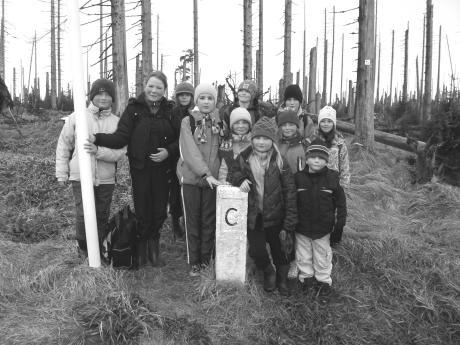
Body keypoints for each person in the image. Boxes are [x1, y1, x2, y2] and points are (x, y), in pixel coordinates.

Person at [90, 71, 181, 267]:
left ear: (165, 90)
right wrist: (97, 138)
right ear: (144, 86)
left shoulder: (171, 110)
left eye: (159, 87)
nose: (154, 90)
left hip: (164, 170)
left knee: (159, 209)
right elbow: (120, 137)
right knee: (142, 209)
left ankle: (153, 246)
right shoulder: (134, 110)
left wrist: (168, 152)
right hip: (140, 169)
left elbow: (181, 140)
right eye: (151, 86)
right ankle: (141, 246)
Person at [56, 78, 126, 258]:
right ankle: (84, 249)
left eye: (108, 95)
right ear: (92, 96)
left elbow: (121, 152)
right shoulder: (76, 117)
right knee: (83, 214)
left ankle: (99, 249)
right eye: (99, 94)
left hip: (106, 178)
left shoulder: (118, 122)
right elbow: (64, 145)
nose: (103, 98)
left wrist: (98, 151)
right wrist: (62, 173)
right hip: (80, 176)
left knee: (102, 214)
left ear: (113, 98)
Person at [229, 116, 297, 296]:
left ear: (272, 140)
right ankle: (268, 271)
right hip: (255, 216)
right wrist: (240, 179)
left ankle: (282, 279)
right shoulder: (244, 158)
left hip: (277, 216)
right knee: (257, 250)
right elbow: (232, 173)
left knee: (281, 250)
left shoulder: (280, 161)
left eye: (266, 138)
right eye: (258, 138)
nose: (261, 142)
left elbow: (290, 192)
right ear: (252, 139)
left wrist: (289, 222)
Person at [177, 83, 223, 277]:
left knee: (209, 221)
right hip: (191, 179)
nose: (206, 102)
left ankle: (206, 259)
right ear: (196, 100)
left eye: (210, 98)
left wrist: (220, 176)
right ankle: (194, 261)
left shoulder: (220, 123)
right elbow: (189, 151)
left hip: (214, 182)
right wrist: (206, 174)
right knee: (193, 221)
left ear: (215, 101)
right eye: (202, 98)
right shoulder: (188, 121)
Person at [294, 138, 347, 297]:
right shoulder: (298, 178)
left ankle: (324, 281)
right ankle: (306, 279)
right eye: (313, 157)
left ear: (327, 160)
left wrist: (339, 226)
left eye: (321, 158)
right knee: (303, 256)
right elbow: (291, 202)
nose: (316, 160)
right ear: (307, 158)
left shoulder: (332, 178)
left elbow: (341, 205)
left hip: (323, 229)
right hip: (302, 228)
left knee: (322, 256)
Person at [276, 110, 309, 281]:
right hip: (279, 191)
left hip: (298, 192)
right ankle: (282, 259)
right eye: (284, 125)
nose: (288, 128)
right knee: (282, 226)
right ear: (280, 126)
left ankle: (296, 261)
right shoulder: (275, 143)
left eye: (291, 125)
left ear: (297, 126)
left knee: (295, 227)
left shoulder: (303, 145)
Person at [169, 82, 195, 240]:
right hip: (175, 158)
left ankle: (189, 223)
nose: (184, 97)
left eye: (187, 94)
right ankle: (174, 222)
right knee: (174, 193)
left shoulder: (197, 113)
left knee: (189, 191)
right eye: (181, 94)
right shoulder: (172, 113)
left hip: (192, 158)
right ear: (177, 96)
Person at [308, 106, 350, 188]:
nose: (326, 124)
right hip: (315, 185)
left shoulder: (340, 143)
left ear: (333, 123)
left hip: (334, 186)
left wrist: (343, 187)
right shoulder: (311, 141)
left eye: (329, 121)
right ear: (319, 123)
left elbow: (345, 167)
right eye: (323, 121)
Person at [218, 107, 253, 183]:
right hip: (231, 184)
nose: (241, 126)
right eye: (237, 123)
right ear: (232, 126)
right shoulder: (227, 143)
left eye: (244, 122)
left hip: (250, 184)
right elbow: (224, 167)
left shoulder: (254, 142)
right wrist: (222, 182)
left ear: (249, 125)